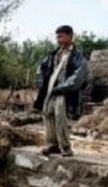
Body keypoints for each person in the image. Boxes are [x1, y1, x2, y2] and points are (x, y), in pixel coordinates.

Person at [33, 25, 89, 157]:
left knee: (60, 117)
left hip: (62, 92)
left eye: (61, 36)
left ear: (70, 36)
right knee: (48, 115)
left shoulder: (77, 56)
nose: (58, 39)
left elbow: (78, 76)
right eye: (57, 36)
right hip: (50, 90)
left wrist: (61, 88)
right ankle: (52, 144)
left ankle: (65, 147)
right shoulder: (54, 54)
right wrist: (42, 84)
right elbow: (41, 69)